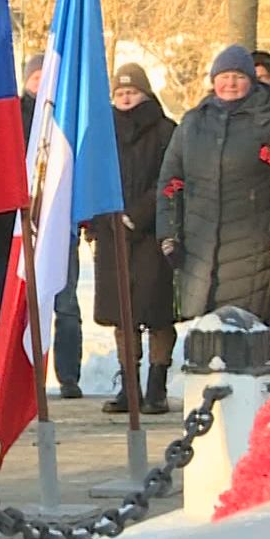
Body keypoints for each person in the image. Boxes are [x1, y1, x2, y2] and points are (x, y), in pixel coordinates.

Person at [156, 46, 270, 327]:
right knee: (203, 335)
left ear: (251, 80)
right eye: (224, 76)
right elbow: (170, 181)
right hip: (198, 247)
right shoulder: (192, 123)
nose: (230, 83)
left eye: (238, 76)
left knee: (244, 332)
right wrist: (168, 231)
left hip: (252, 246)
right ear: (214, 80)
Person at [89, 66, 177, 414]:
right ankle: (129, 385)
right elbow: (92, 177)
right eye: (120, 93)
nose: (125, 98)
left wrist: (138, 215)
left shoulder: (166, 130)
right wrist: (98, 221)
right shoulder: (101, 133)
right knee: (122, 316)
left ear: (145, 93)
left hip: (153, 233)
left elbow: (171, 179)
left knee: (157, 314)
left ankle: (157, 385)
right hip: (111, 236)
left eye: (132, 92)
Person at [18, 53, 84, 398]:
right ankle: (26, 374)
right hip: (22, 224)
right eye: (35, 76)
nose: (40, 82)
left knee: (66, 302)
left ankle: (69, 374)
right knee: (24, 303)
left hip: (60, 223)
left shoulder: (67, 117)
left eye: (46, 75)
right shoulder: (14, 115)